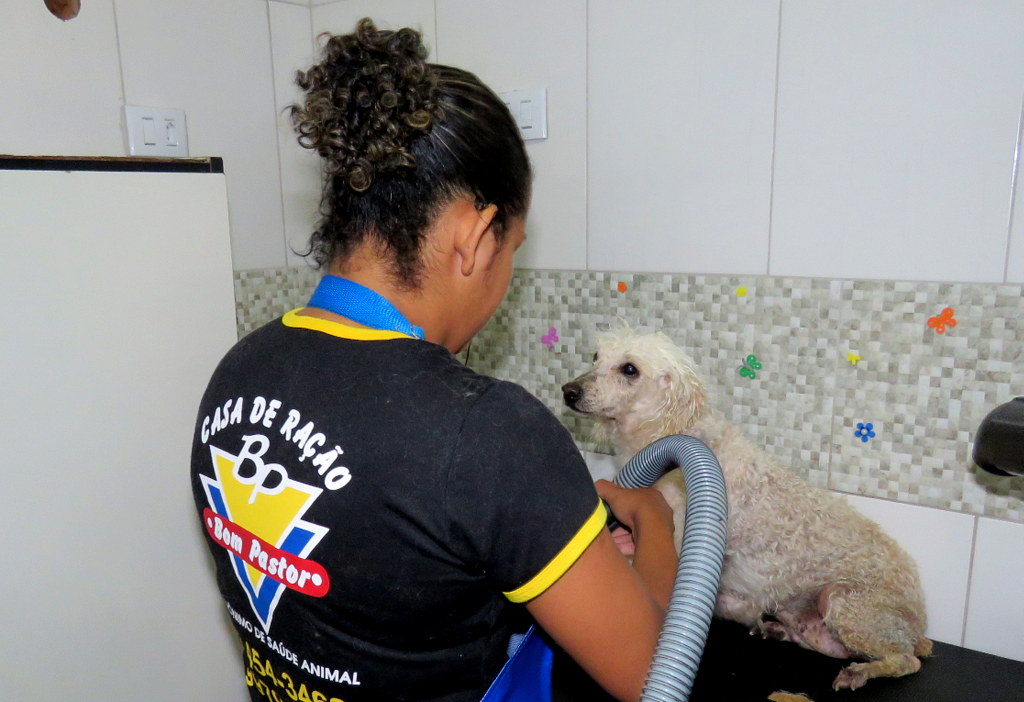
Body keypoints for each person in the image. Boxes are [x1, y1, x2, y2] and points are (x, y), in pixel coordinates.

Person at [190, 18, 676, 702]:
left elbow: (378, 587)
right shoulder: (489, 433)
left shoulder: (239, 371)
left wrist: (544, 550)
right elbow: (654, 676)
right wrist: (654, 521)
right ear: (475, 236)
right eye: (512, 248)